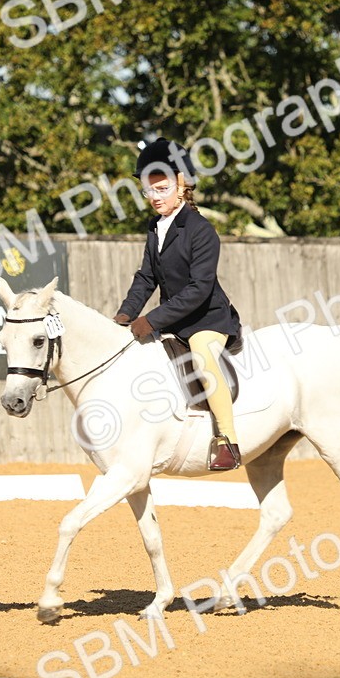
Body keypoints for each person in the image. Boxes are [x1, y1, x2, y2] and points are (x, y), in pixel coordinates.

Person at [114, 138, 244, 470]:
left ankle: (227, 441)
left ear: (181, 185)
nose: (155, 197)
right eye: (149, 191)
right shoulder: (155, 228)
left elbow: (199, 289)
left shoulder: (201, 230)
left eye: (162, 189)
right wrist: (126, 314)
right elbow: (147, 277)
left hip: (208, 320)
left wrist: (152, 319)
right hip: (173, 322)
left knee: (202, 357)